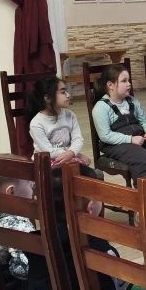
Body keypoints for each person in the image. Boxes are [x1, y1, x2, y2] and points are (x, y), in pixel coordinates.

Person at [27, 75, 102, 215]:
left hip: (68, 159)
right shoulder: (37, 123)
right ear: (47, 98)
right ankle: (65, 216)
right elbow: (48, 151)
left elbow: (78, 139)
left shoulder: (70, 115)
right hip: (47, 163)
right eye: (62, 92)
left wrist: (72, 153)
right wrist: (74, 154)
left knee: (88, 175)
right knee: (62, 182)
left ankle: (85, 214)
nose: (68, 95)